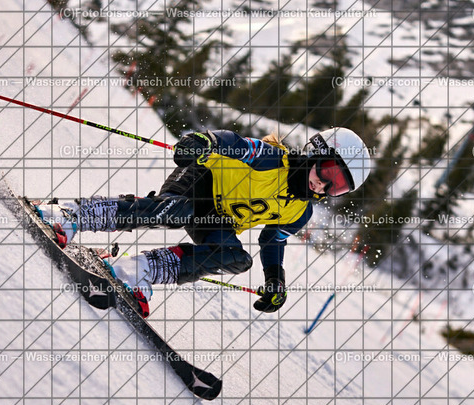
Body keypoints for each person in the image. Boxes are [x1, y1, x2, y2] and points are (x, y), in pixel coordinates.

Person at [34, 127, 371, 316]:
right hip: (199, 180)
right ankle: (71, 214)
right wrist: (205, 141)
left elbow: (272, 241)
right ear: (315, 152)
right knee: (177, 210)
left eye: (337, 186)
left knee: (236, 258)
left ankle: (137, 271)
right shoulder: (272, 159)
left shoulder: (300, 212)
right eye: (328, 172)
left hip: (216, 219)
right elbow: (236, 143)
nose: (324, 185)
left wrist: (275, 279)